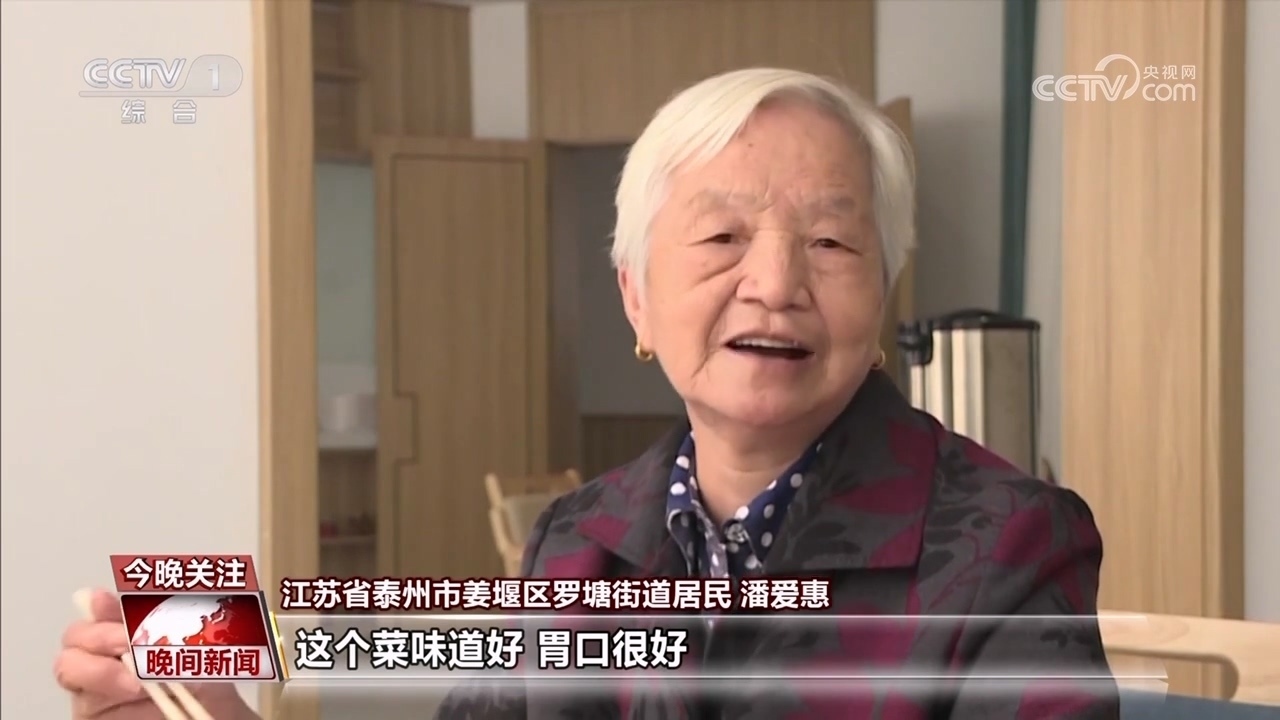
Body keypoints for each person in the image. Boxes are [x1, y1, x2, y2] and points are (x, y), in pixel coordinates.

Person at [54, 67, 1118, 720]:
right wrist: (211, 710)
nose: (774, 282)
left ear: (880, 295)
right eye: (720, 237)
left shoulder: (1011, 542)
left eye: (831, 242)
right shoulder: (575, 538)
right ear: (636, 298)